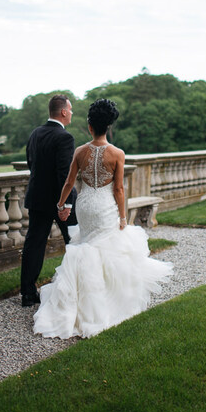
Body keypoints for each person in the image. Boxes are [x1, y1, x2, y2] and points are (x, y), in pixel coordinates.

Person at [33, 99, 173, 338]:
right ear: (107, 127)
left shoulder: (80, 152)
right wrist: (122, 216)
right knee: (108, 249)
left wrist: (61, 205)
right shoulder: (117, 154)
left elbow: (69, 183)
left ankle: (77, 301)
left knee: (87, 246)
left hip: (85, 206)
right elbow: (118, 190)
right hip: (105, 207)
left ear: (90, 126)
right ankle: (105, 302)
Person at [20, 94, 78, 307]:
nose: (71, 113)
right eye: (70, 110)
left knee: (33, 245)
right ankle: (77, 289)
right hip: (58, 202)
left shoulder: (36, 133)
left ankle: (27, 293)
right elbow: (65, 175)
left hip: (36, 198)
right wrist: (66, 204)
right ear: (63, 112)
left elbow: (30, 162)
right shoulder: (65, 138)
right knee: (75, 242)